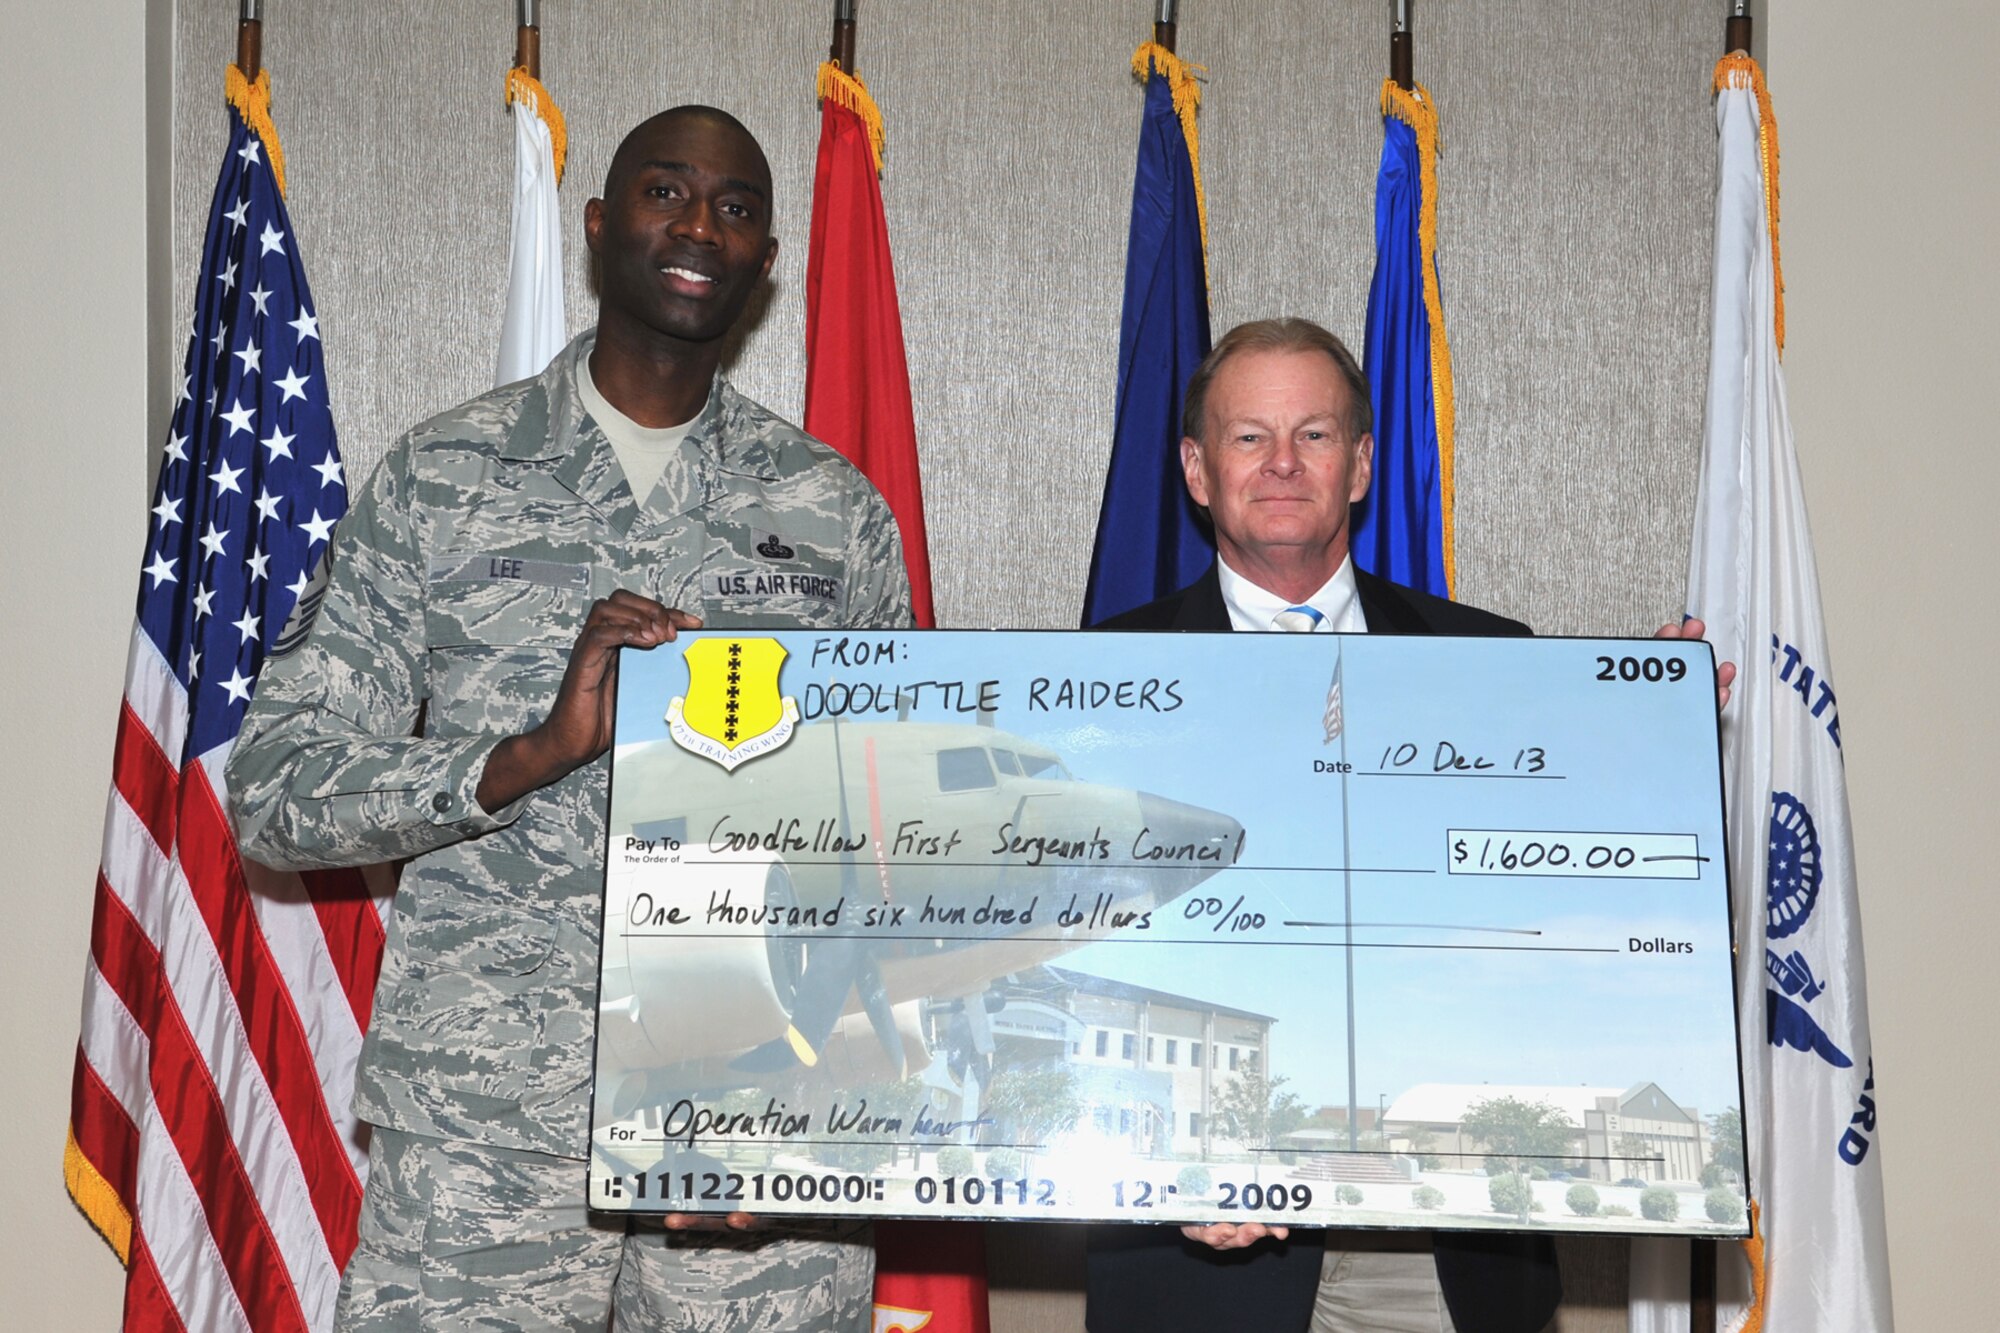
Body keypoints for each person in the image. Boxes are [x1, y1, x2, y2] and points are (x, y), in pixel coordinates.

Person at [228, 106, 911, 1332]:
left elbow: (883, 842)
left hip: (752, 1138)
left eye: (736, 208)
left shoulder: (833, 514)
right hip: (488, 1139)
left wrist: (819, 1113)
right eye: (666, 192)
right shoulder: (443, 479)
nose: (699, 225)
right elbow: (276, 792)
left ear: (764, 264)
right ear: (599, 229)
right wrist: (520, 759)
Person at [1086, 317, 1726, 1333]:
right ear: (1196, 471)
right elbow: (1062, 952)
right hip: (1199, 1260)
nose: (1283, 464)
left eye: (1314, 435)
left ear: (1361, 464)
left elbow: (1565, 922)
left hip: (1444, 1254)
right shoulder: (1092, 682)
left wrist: (1636, 755)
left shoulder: (1496, 666)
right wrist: (1166, 1164)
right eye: (1248, 438)